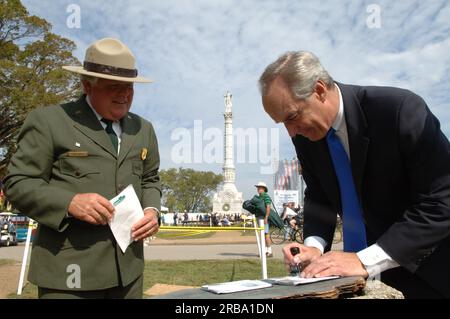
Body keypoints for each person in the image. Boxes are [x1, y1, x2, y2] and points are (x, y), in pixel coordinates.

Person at [259, 51, 450, 298]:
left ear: (318, 90)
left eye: (293, 117)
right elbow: (319, 196)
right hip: (369, 280)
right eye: (282, 123)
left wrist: (364, 260)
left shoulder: (398, 110)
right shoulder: (306, 137)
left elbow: (442, 199)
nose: (291, 133)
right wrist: (313, 248)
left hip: (433, 272)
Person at [4, 38, 161, 299]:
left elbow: (151, 178)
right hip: (68, 274)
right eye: (114, 87)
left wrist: (152, 210)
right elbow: (17, 183)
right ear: (87, 85)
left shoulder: (144, 129)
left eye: (129, 87)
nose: (124, 94)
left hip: (129, 272)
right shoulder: (50, 121)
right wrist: (69, 202)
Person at [255, 182, 273, 257]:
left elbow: (268, 207)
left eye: (260, 187)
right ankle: (265, 251)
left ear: (264, 189)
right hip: (259, 218)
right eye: (258, 187)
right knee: (262, 234)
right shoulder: (259, 197)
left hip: (263, 218)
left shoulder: (266, 196)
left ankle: (269, 251)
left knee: (266, 234)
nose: (258, 189)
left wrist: (266, 217)